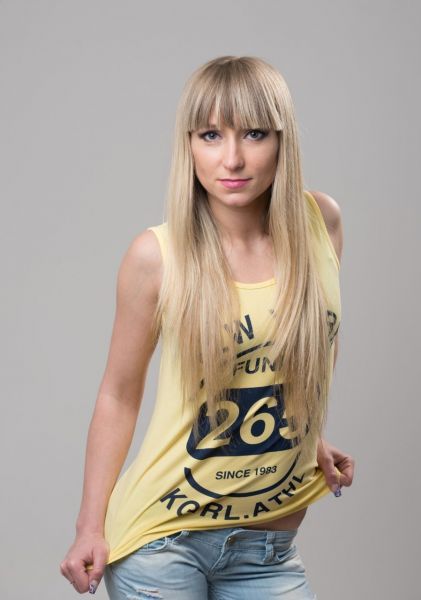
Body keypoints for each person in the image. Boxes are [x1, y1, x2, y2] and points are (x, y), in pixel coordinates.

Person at [60, 55, 354, 598]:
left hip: (269, 552)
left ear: (282, 140)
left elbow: (311, 342)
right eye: (211, 135)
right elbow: (118, 394)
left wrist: (306, 433)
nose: (232, 158)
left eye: (255, 134)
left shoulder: (322, 223)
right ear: (189, 144)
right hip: (163, 541)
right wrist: (89, 527)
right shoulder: (157, 256)